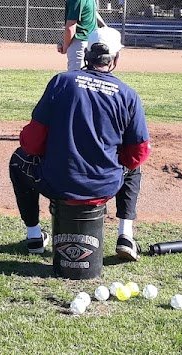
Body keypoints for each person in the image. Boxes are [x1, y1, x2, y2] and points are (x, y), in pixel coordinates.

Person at [11, 27, 151, 261]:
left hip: (58, 184)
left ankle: (34, 235)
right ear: (116, 58)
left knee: (19, 161)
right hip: (104, 187)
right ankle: (125, 235)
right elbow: (138, 153)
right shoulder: (128, 95)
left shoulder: (61, 82)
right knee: (133, 168)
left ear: (86, 53)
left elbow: (32, 143)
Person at [57, 0, 103, 71]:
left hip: (89, 43)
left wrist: (105, 27)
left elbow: (92, 12)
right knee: (77, 82)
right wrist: (66, 47)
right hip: (80, 45)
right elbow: (70, 26)